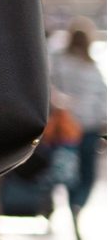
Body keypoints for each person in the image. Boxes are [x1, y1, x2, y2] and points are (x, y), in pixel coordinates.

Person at [51, 16, 106, 239]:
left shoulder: (59, 62)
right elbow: (102, 97)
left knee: (68, 170)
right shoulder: (92, 67)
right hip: (88, 126)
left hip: (68, 127)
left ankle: (72, 203)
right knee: (87, 173)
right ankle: (77, 205)